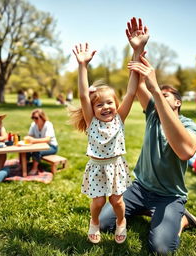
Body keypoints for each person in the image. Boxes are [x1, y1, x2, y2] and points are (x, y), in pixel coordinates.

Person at [99, 17, 196, 254]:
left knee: (161, 250)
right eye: (159, 94)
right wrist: (136, 50)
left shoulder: (189, 125)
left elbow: (185, 151)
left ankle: (181, 218)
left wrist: (157, 87)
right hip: (139, 188)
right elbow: (137, 86)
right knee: (104, 225)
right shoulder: (153, 113)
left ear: (178, 102)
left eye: (166, 95)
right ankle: (145, 209)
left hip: (169, 196)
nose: (159, 96)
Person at [70, 41, 139, 244]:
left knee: (116, 200)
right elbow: (83, 94)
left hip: (116, 166)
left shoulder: (119, 118)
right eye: (99, 104)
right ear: (93, 109)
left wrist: (136, 53)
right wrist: (83, 65)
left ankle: (121, 221)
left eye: (110, 102)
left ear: (116, 105)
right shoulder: (91, 122)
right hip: (97, 167)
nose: (106, 107)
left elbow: (131, 92)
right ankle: (94, 222)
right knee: (99, 201)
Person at [24, 109, 58, 175]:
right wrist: (28, 138)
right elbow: (30, 135)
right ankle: (25, 165)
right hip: (39, 145)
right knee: (25, 150)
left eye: (36, 118)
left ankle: (34, 169)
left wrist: (33, 140)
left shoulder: (48, 125)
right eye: (32, 117)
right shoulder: (33, 125)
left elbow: (47, 139)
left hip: (51, 147)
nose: (34, 119)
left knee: (37, 151)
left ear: (42, 117)